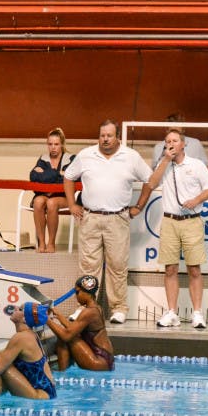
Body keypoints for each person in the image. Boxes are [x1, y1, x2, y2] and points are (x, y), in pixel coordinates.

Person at [64, 119, 152, 324]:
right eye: (102, 135)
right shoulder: (86, 155)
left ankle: (118, 308)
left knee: (117, 265)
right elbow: (68, 177)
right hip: (90, 217)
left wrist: (138, 206)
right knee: (88, 266)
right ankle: (85, 307)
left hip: (118, 218)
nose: (105, 139)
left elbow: (150, 180)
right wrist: (72, 204)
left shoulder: (131, 157)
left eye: (109, 135)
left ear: (117, 137)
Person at [138, 129, 208, 329]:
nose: (171, 144)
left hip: (191, 221)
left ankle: (197, 313)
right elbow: (152, 183)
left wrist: (196, 200)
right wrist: (164, 160)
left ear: (183, 144)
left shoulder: (196, 165)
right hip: (169, 221)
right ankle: (172, 312)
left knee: (194, 268)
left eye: (174, 141)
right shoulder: (163, 165)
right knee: (170, 268)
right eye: (167, 142)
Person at [0, 301, 56, 399]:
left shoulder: (21, 338)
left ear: (25, 319)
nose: (15, 308)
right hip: (48, 393)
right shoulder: (31, 334)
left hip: (39, 396)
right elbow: (2, 359)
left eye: (20, 309)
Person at [45, 275, 115, 371]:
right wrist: (58, 314)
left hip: (99, 361)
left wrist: (45, 319)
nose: (76, 296)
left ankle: (62, 375)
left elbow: (66, 335)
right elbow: (73, 328)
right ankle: (64, 370)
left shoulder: (89, 312)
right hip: (107, 360)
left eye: (77, 292)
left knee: (64, 339)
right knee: (70, 334)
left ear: (86, 292)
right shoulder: (97, 308)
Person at [29, 128, 76, 253]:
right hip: (45, 194)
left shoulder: (71, 158)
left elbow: (71, 180)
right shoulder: (43, 158)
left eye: (56, 144)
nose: (53, 147)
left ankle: (51, 243)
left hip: (65, 196)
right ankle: (42, 243)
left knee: (52, 203)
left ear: (62, 144)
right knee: (38, 202)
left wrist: (46, 175)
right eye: (50, 144)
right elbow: (33, 177)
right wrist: (59, 173)